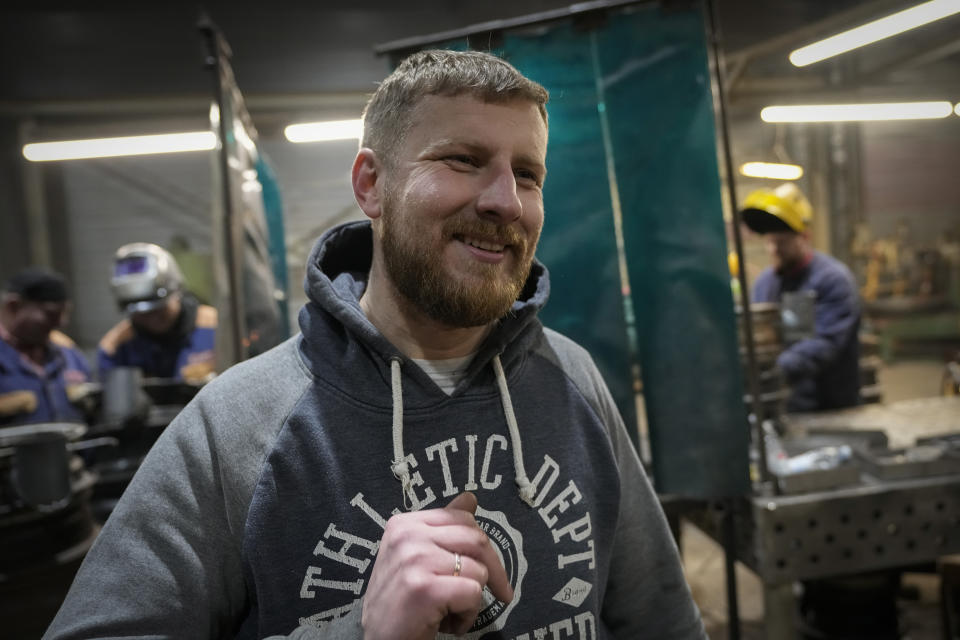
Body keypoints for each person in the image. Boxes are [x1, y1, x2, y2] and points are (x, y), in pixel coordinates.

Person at [45, 50, 705, 639]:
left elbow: (660, 617)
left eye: (527, 174)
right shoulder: (238, 427)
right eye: (463, 160)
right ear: (371, 185)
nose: (506, 201)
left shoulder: (573, 377)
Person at [740, 182, 861, 412]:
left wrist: (772, 369)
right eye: (769, 242)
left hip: (831, 408)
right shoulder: (766, 283)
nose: (774, 250)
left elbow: (826, 343)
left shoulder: (833, 280)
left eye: (781, 243)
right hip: (783, 406)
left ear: (804, 237)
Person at [97, 242, 217, 384]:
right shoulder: (115, 348)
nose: (151, 319)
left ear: (177, 293)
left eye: (158, 309)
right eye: (142, 314)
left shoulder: (217, 328)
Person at [0, 267, 91, 426]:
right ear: (14, 306)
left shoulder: (68, 355)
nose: (61, 322)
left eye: (64, 313)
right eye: (50, 314)